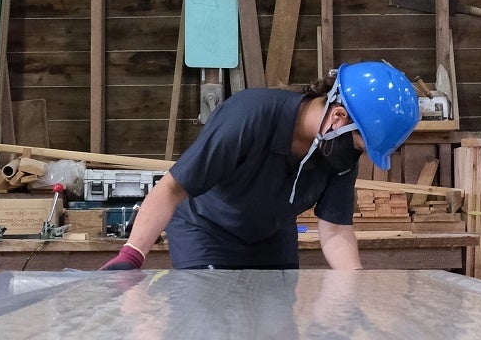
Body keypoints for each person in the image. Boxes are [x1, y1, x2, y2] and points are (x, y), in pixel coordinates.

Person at [99, 61, 420, 272]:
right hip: (207, 232)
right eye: (361, 145)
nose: (358, 155)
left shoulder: (339, 152)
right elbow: (172, 188)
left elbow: (335, 230)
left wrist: (356, 285)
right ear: (338, 117)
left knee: (275, 336)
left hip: (271, 237)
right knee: (208, 331)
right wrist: (132, 255)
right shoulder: (248, 117)